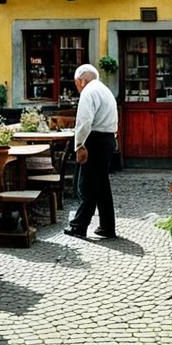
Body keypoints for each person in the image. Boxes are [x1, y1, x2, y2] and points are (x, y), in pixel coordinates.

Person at [64, 63, 119, 240]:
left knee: (87, 185)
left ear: (81, 80)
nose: (77, 87)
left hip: (94, 140)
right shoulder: (104, 90)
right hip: (108, 139)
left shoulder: (88, 92)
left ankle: (79, 226)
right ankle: (107, 226)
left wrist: (79, 145)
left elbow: (84, 121)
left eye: (76, 83)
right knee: (102, 185)